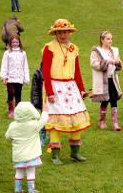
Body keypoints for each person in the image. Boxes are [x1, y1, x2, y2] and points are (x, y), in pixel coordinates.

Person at [42, 19, 91, 165]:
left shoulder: (74, 49)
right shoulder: (49, 48)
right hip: (56, 87)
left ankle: (75, 152)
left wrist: (81, 89)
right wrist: (50, 92)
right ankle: (55, 154)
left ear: (69, 33)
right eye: (59, 33)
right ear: (55, 34)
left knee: (76, 119)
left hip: (71, 88)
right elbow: (45, 70)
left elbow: (77, 71)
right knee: (56, 121)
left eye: (65, 32)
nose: (63, 35)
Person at [5, 102, 48, 193]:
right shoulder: (34, 125)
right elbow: (43, 120)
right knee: (31, 172)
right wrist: (45, 111)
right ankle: (31, 190)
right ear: (31, 112)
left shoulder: (13, 126)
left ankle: (18, 189)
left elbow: (7, 136)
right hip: (31, 155)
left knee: (19, 172)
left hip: (18, 155)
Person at [90, 31, 123, 131]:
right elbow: (94, 64)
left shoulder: (114, 51)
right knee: (105, 100)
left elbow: (118, 66)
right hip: (102, 80)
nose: (110, 41)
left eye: (111, 38)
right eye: (108, 39)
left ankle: (115, 123)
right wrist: (107, 62)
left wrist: (118, 63)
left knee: (113, 99)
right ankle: (102, 121)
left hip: (112, 79)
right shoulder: (96, 51)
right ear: (102, 40)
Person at [0, 34, 30, 118]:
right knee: (10, 93)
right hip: (10, 78)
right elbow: (4, 65)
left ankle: (17, 111)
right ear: (10, 43)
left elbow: (25, 65)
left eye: (16, 42)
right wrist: (3, 76)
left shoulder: (23, 53)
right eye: (13, 42)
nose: (15, 43)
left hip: (19, 77)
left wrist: (26, 78)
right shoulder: (7, 53)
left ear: (19, 42)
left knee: (18, 94)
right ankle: (11, 110)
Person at [30, 62, 46, 146]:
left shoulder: (55, 73)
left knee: (53, 120)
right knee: (43, 119)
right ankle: (43, 136)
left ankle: (53, 139)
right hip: (43, 101)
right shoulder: (38, 74)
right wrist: (35, 101)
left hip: (53, 101)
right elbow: (34, 89)